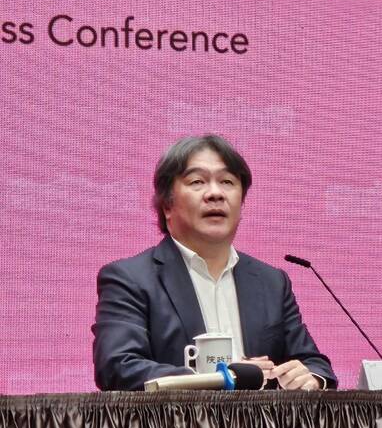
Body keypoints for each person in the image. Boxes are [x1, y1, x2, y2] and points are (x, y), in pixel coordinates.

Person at [93, 134, 336, 391]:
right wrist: (222, 378)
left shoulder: (271, 282)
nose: (215, 194)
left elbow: (315, 364)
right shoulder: (130, 279)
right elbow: (118, 367)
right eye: (197, 181)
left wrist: (310, 378)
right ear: (166, 205)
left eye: (227, 182)